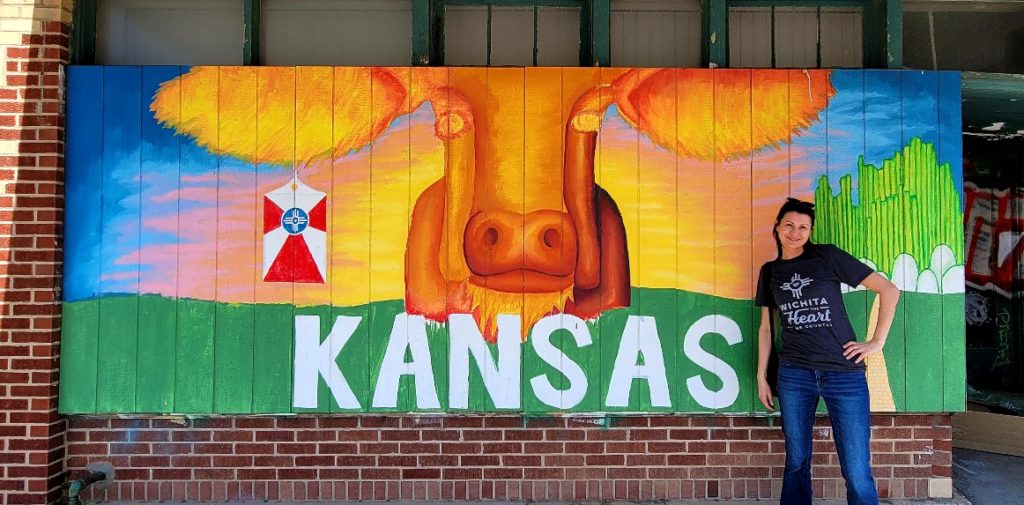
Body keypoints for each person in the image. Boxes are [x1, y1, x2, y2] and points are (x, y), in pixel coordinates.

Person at [755, 197, 900, 505]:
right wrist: (761, 376)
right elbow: (767, 328)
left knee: (857, 468)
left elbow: (889, 290)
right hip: (795, 374)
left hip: (844, 373)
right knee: (796, 461)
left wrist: (876, 342)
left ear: (810, 231)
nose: (795, 233)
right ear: (777, 228)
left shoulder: (827, 257)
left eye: (803, 228)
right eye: (789, 226)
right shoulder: (770, 272)